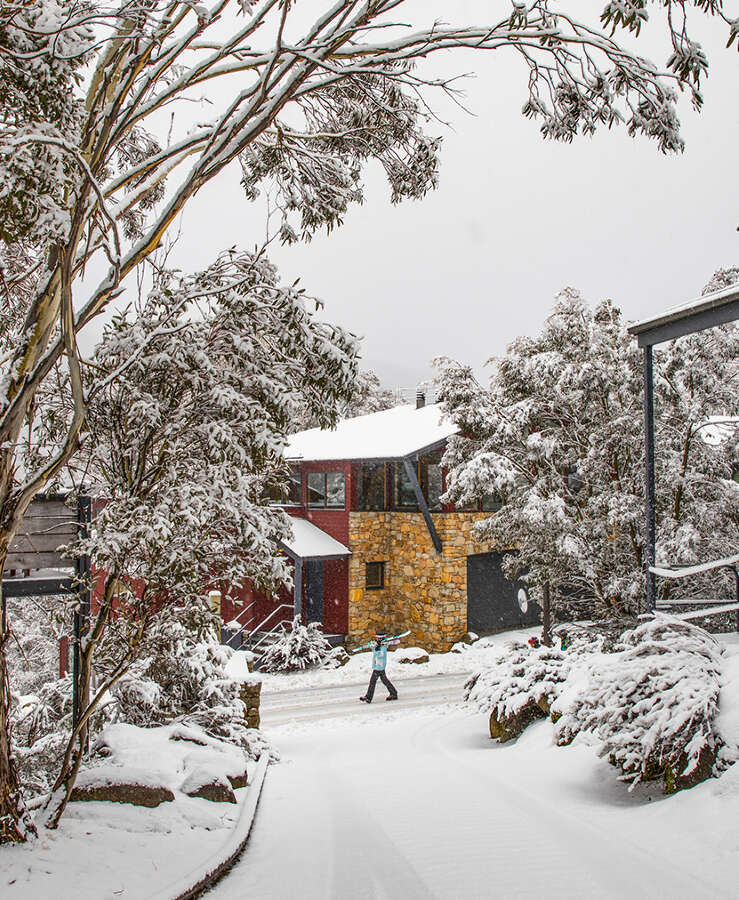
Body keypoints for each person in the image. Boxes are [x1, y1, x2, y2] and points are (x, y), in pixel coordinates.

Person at [358, 629, 399, 702]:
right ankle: (393, 693)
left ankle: (368, 697)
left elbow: (381, 655)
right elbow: (374, 648)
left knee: (372, 681)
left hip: (380, 665)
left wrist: (375, 649)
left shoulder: (383, 645)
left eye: (377, 638)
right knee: (384, 680)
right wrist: (372, 646)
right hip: (378, 665)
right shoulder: (379, 644)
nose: (376, 639)